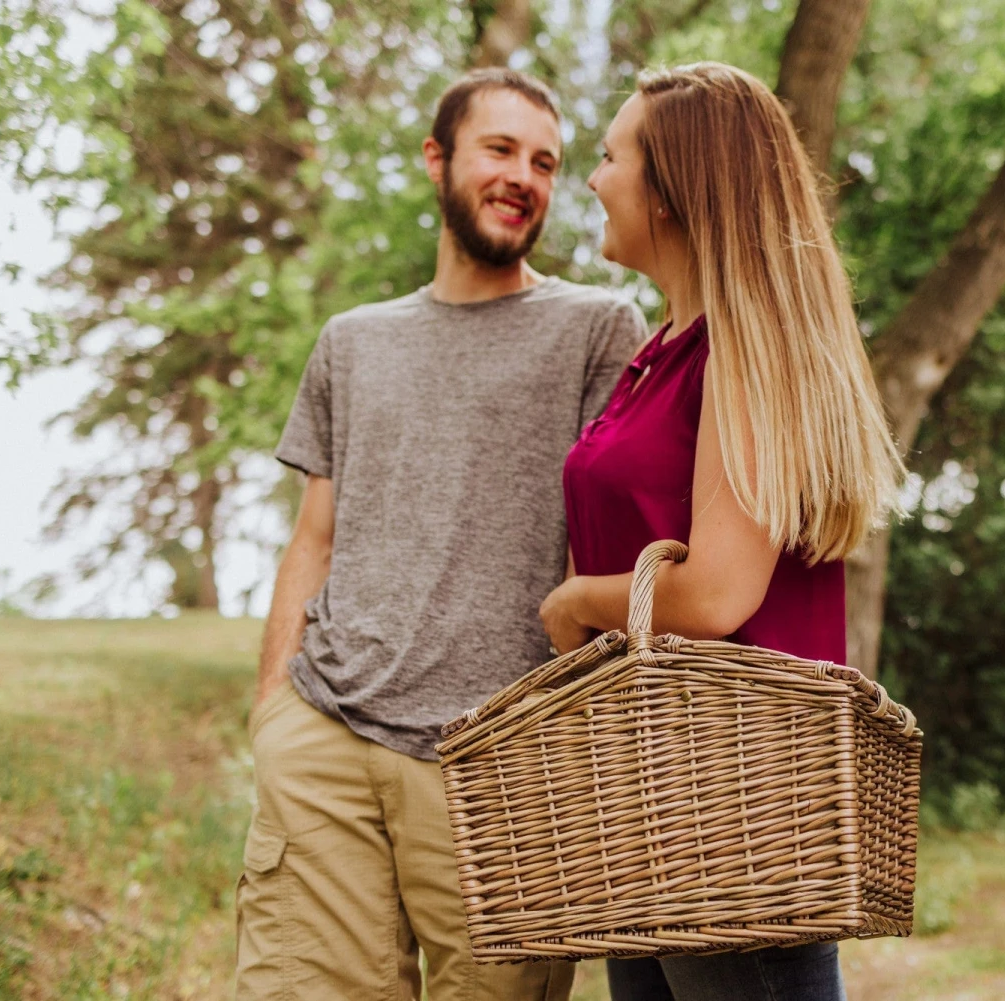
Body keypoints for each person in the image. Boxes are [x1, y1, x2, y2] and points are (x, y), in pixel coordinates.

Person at [237, 68, 646, 1001]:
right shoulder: (352, 340)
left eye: (545, 161)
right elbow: (315, 539)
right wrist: (273, 711)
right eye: (499, 149)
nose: (524, 177)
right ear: (437, 159)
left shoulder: (598, 328)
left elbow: (604, 541)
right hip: (325, 739)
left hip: (497, 762)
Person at [539, 62, 903, 1001]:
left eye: (611, 156)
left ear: (673, 190)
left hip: (739, 810)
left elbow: (713, 594)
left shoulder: (741, 353)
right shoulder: (657, 356)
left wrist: (576, 601)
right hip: (653, 797)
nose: (591, 179)